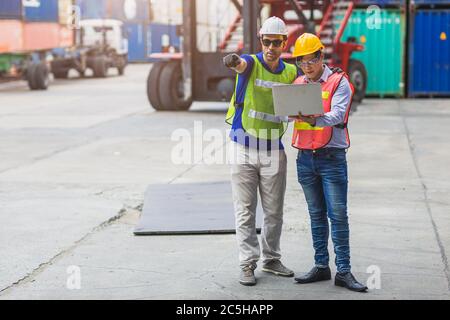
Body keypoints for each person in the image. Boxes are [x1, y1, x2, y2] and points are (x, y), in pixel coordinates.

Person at [222, 17, 299, 286]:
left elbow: (303, 98)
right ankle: (247, 263)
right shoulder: (251, 63)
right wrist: (232, 61)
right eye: (266, 41)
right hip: (243, 147)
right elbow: (240, 64)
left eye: (276, 42)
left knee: (274, 211)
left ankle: (271, 258)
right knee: (245, 210)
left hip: (272, 150)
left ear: (283, 43)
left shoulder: (290, 73)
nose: (271, 47)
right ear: (261, 40)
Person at [290, 33, 368, 292]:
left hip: (331, 158)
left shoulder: (339, 82)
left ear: (321, 56)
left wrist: (314, 119)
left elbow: (337, 114)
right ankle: (321, 266)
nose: (307, 66)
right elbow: (291, 117)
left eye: (311, 60)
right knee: (316, 215)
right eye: (302, 61)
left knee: (338, 216)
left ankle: (343, 271)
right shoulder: (299, 82)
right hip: (305, 158)